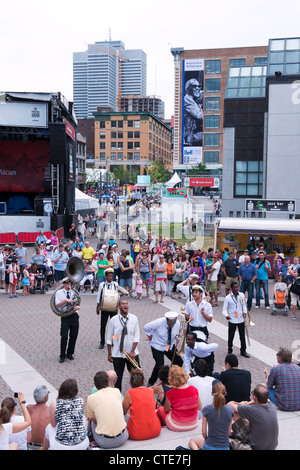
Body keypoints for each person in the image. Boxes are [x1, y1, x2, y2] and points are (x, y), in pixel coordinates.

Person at [227, 384, 279, 450]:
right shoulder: (272, 405)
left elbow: (229, 405)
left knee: (233, 411)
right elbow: (264, 395)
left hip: (255, 447)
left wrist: (241, 404)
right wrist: (247, 404)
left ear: (254, 397)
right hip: (272, 446)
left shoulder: (253, 409)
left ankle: (229, 434)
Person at [43, 379, 89, 450]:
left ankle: (44, 449)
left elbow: (53, 424)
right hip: (82, 444)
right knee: (83, 419)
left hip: (61, 447)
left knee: (49, 427)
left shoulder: (54, 404)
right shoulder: (81, 401)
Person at [86, 371, 128, 449]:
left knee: (90, 420)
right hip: (123, 438)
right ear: (108, 382)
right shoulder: (116, 391)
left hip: (104, 442)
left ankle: (88, 437)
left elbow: (92, 419)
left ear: (95, 384)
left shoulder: (91, 398)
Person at [106, 298, 140, 391]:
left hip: (131, 354)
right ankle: (118, 396)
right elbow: (109, 338)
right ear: (118, 307)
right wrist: (109, 354)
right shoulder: (113, 320)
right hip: (118, 354)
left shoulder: (134, 318)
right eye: (123, 304)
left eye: (126, 303)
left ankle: (136, 394)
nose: (125, 305)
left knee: (136, 377)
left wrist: (132, 351)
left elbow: (137, 336)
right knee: (118, 378)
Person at [189, 381, 233, 451]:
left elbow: (203, 431)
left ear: (212, 394)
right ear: (225, 393)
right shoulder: (230, 410)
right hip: (225, 447)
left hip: (210, 446)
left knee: (192, 441)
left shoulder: (207, 409)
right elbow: (229, 432)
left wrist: (207, 440)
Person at [156, 365, 201, 431]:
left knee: (160, 409)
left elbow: (166, 410)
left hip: (177, 425)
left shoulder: (170, 393)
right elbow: (199, 407)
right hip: (193, 423)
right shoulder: (194, 389)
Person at [144, 312, 183, 387]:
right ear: (167, 320)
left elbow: (177, 333)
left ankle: (172, 377)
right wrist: (149, 335)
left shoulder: (177, 323)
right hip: (157, 346)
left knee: (179, 361)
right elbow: (146, 327)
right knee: (160, 364)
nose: (172, 325)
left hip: (168, 345)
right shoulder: (158, 322)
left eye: (173, 323)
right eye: (170, 323)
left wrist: (177, 337)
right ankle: (151, 381)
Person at [122, 369, 161, 440]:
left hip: (136, 434)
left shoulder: (129, 393)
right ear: (143, 381)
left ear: (131, 383)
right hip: (155, 430)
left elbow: (123, 412)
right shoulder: (150, 390)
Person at [264, 347, 300, 411]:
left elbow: (269, 385)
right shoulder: (298, 368)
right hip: (298, 404)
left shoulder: (275, 369)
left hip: (284, 405)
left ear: (279, 359)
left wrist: (267, 375)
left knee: (263, 389)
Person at [96, 268, 124, 349]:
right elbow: (99, 296)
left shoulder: (115, 284)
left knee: (115, 326)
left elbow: (117, 295)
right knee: (103, 326)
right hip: (104, 308)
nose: (110, 277)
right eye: (109, 276)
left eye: (111, 276)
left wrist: (122, 294)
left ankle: (114, 341)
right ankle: (102, 342)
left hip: (113, 308)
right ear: (106, 276)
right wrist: (97, 307)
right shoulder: (102, 285)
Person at [55, 277, 80, 363]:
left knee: (73, 336)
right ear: (63, 284)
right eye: (66, 283)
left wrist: (78, 307)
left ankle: (70, 353)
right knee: (64, 336)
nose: (68, 285)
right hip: (65, 316)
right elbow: (57, 305)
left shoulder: (74, 292)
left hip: (74, 315)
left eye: (69, 283)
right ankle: (62, 355)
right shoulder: (59, 292)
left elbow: (77, 302)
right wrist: (65, 300)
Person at [222, 281, 250, 358]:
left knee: (242, 336)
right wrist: (226, 315)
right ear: (231, 288)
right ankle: (230, 350)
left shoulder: (242, 295)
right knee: (231, 336)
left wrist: (244, 312)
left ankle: (243, 350)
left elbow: (244, 305)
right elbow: (224, 309)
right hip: (232, 319)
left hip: (240, 318)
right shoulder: (227, 298)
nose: (236, 289)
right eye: (235, 287)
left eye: (237, 287)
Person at [27, 385, 50, 450]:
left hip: (30, 445)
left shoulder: (28, 408)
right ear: (46, 398)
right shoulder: (50, 410)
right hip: (43, 447)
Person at [183, 78, 203, 147]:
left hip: (192, 135)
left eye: (199, 86)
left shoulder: (193, 99)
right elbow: (200, 116)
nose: (198, 88)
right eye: (194, 86)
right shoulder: (187, 100)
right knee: (210, 135)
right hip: (189, 137)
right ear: (188, 88)